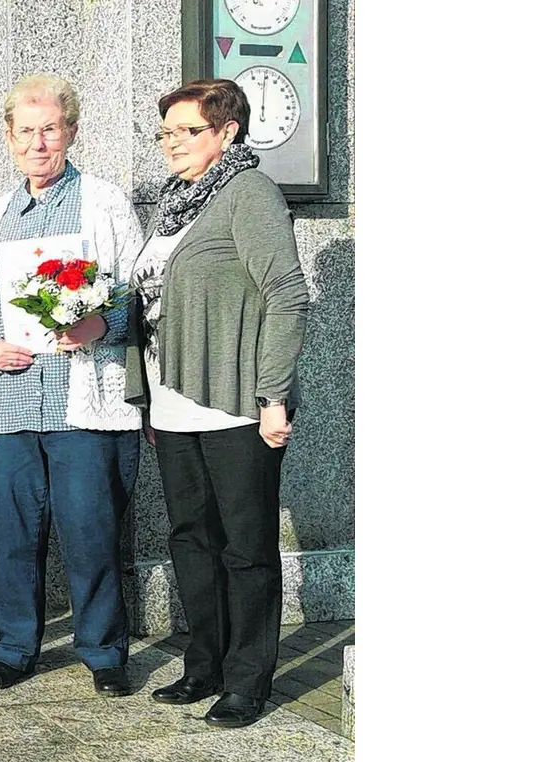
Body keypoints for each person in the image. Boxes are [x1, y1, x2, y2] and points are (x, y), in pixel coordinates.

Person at [126, 78, 309, 728]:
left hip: (234, 405)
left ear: (227, 132)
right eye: (167, 132)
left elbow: (287, 295)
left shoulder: (247, 193)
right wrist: (147, 399)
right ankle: (203, 663)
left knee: (246, 547)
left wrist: (273, 397)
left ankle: (247, 680)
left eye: (187, 131)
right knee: (190, 540)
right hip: (172, 408)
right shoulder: (176, 201)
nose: (172, 143)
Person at [0, 75, 145, 698]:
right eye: (26, 131)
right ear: (10, 140)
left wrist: (101, 322)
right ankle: (16, 647)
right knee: (14, 536)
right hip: (9, 401)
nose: (39, 142)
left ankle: (103, 651)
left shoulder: (102, 202)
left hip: (81, 402)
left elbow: (138, 292)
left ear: (70, 132)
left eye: (50, 129)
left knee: (89, 530)